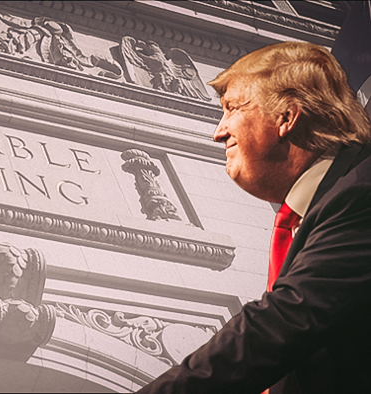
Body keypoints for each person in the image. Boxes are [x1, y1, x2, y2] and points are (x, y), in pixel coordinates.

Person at [137, 42, 371, 393]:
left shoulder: (361, 193)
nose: (219, 132)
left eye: (232, 109)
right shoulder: (319, 210)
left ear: (286, 118)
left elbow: (281, 322)